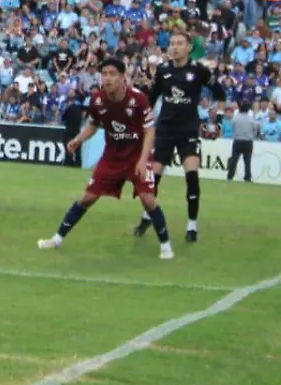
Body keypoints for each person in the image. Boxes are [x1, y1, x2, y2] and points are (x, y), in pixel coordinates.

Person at [39, 58, 173, 260]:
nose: (108, 78)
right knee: (88, 198)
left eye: (112, 74)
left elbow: (149, 132)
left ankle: (166, 245)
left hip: (138, 155)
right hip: (112, 157)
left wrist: (143, 160)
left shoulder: (138, 99)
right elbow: (93, 125)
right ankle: (57, 239)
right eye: (105, 74)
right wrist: (78, 140)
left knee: (148, 199)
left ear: (122, 77)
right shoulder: (98, 99)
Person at [136, 32, 225, 242]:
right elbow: (151, 98)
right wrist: (144, 123)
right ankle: (147, 215)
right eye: (172, 43)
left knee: (191, 177)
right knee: (153, 178)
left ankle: (192, 226)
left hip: (188, 130)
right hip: (165, 129)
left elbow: (220, 94)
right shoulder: (163, 70)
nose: (174, 47)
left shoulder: (199, 71)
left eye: (179, 43)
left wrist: (218, 120)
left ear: (188, 48)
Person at [227, 103, 258, 182]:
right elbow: (255, 129)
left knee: (234, 159)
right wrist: (252, 136)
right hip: (248, 141)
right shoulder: (251, 119)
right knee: (247, 161)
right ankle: (247, 177)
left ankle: (230, 176)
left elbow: (232, 127)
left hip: (237, 140)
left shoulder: (235, 118)